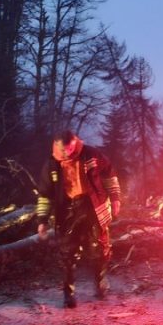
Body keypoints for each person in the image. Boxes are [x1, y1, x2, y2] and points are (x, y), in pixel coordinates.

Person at [36, 130, 122, 308]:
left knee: (99, 247)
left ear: (75, 142)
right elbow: (45, 195)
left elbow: (109, 175)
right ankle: (69, 293)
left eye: (71, 148)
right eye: (64, 150)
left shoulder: (91, 154)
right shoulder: (52, 165)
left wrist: (115, 199)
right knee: (68, 252)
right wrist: (42, 220)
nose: (68, 153)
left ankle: (100, 282)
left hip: (93, 207)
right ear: (57, 146)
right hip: (67, 210)